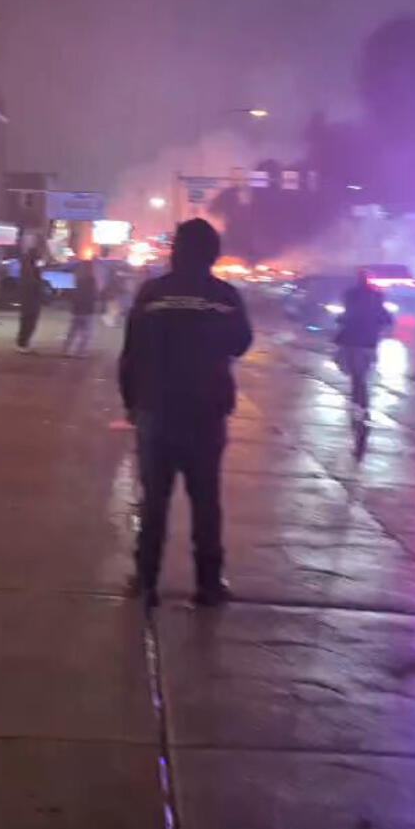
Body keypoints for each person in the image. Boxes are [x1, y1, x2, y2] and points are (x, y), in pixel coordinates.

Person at [119, 218, 253, 608]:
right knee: (205, 503)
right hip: (205, 415)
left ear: (175, 250)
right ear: (213, 252)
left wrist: (132, 403)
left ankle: (146, 581)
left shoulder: (151, 294)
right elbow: (241, 343)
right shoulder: (224, 296)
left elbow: (131, 354)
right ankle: (208, 586)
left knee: (154, 502)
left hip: (156, 411)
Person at [336, 269, 392, 418]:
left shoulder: (350, 295)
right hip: (369, 342)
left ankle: (358, 402)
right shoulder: (377, 296)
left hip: (352, 340)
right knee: (362, 373)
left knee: (355, 374)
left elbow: (345, 316)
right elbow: (387, 319)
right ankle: (361, 403)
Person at [64, 260, 97, 356]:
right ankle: (80, 351)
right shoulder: (91, 281)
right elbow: (94, 294)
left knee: (72, 331)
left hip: (77, 309)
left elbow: (74, 295)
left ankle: (66, 350)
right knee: (86, 333)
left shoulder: (78, 280)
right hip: (87, 309)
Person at [17, 249, 44, 351]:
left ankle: (24, 342)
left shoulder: (29, 267)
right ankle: (23, 343)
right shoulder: (29, 269)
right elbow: (34, 282)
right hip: (30, 299)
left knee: (28, 322)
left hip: (30, 299)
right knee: (28, 322)